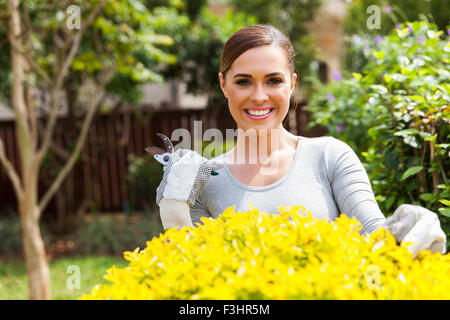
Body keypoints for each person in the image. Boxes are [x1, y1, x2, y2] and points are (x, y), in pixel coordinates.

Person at [155, 24, 446, 258]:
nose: (259, 96)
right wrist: (174, 216)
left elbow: (373, 233)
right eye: (243, 81)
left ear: (292, 84)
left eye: (273, 81)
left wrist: (410, 227)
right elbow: (196, 268)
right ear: (223, 84)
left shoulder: (330, 156)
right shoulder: (202, 179)